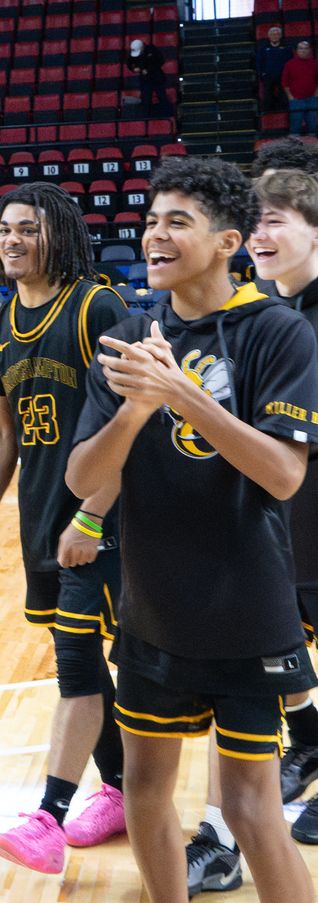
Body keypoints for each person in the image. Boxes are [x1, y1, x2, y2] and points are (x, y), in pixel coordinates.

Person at [66, 157, 318, 903]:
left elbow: (281, 474)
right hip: (152, 609)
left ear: (227, 241)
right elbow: (85, 480)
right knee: (146, 790)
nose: (155, 234)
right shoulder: (127, 336)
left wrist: (181, 395)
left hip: (248, 612)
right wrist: (137, 409)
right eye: (150, 220)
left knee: (250, 806)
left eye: (178, 221)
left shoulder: (275, 332)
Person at [0, 184, 130, 876]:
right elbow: (0, 433)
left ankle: (53, 815)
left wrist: (96, 511)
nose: (12, 240)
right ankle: (118, 792)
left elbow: (136, 419)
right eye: (4, 230)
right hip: (42, 519)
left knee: (105, 663)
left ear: (58, 234)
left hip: (109, 519)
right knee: (84, 660)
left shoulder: (95, 306)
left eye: (27, 229)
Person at [245, 169, 318, 852]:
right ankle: (311, 740)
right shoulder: (263, 314)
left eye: (276, 220)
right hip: (280, 520)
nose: (260, 236)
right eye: (254, 223)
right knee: (277, 644)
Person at [127, 38, 171, 119]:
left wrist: (148, 70)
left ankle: (167, 119)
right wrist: (133, 69)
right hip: (145, 80)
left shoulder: (151, 49)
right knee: (146, 101)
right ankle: (147, 120)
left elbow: (161, 60)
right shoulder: (133, 54)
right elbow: (129, 63)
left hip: (157, 78)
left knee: (162, 98)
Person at [283, 40, 318, 138]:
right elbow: (284, 82)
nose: (303, 50)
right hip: (296, 100)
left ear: (309, 50)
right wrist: (290, 97)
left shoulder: (315, 64)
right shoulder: (289, 64)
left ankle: (313, 147)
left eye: (305, 48)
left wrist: (316, 93)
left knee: (312, 125)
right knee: (295, 125)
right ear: (297, 50)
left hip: (312, 99)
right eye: (300, 48)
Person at [257, 26, 293, 114]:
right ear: (269, 36)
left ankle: (284, 112)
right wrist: (263, 73)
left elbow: (290, 61)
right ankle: (268, 114)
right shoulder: (263, 48)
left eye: (277, 34)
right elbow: (259, 62)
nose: (274, 36)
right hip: (269, 75)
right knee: (268, 94)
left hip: (283, 75)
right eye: (272, 34)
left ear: (280, 35)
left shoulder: (286, 47)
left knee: (283, 94)